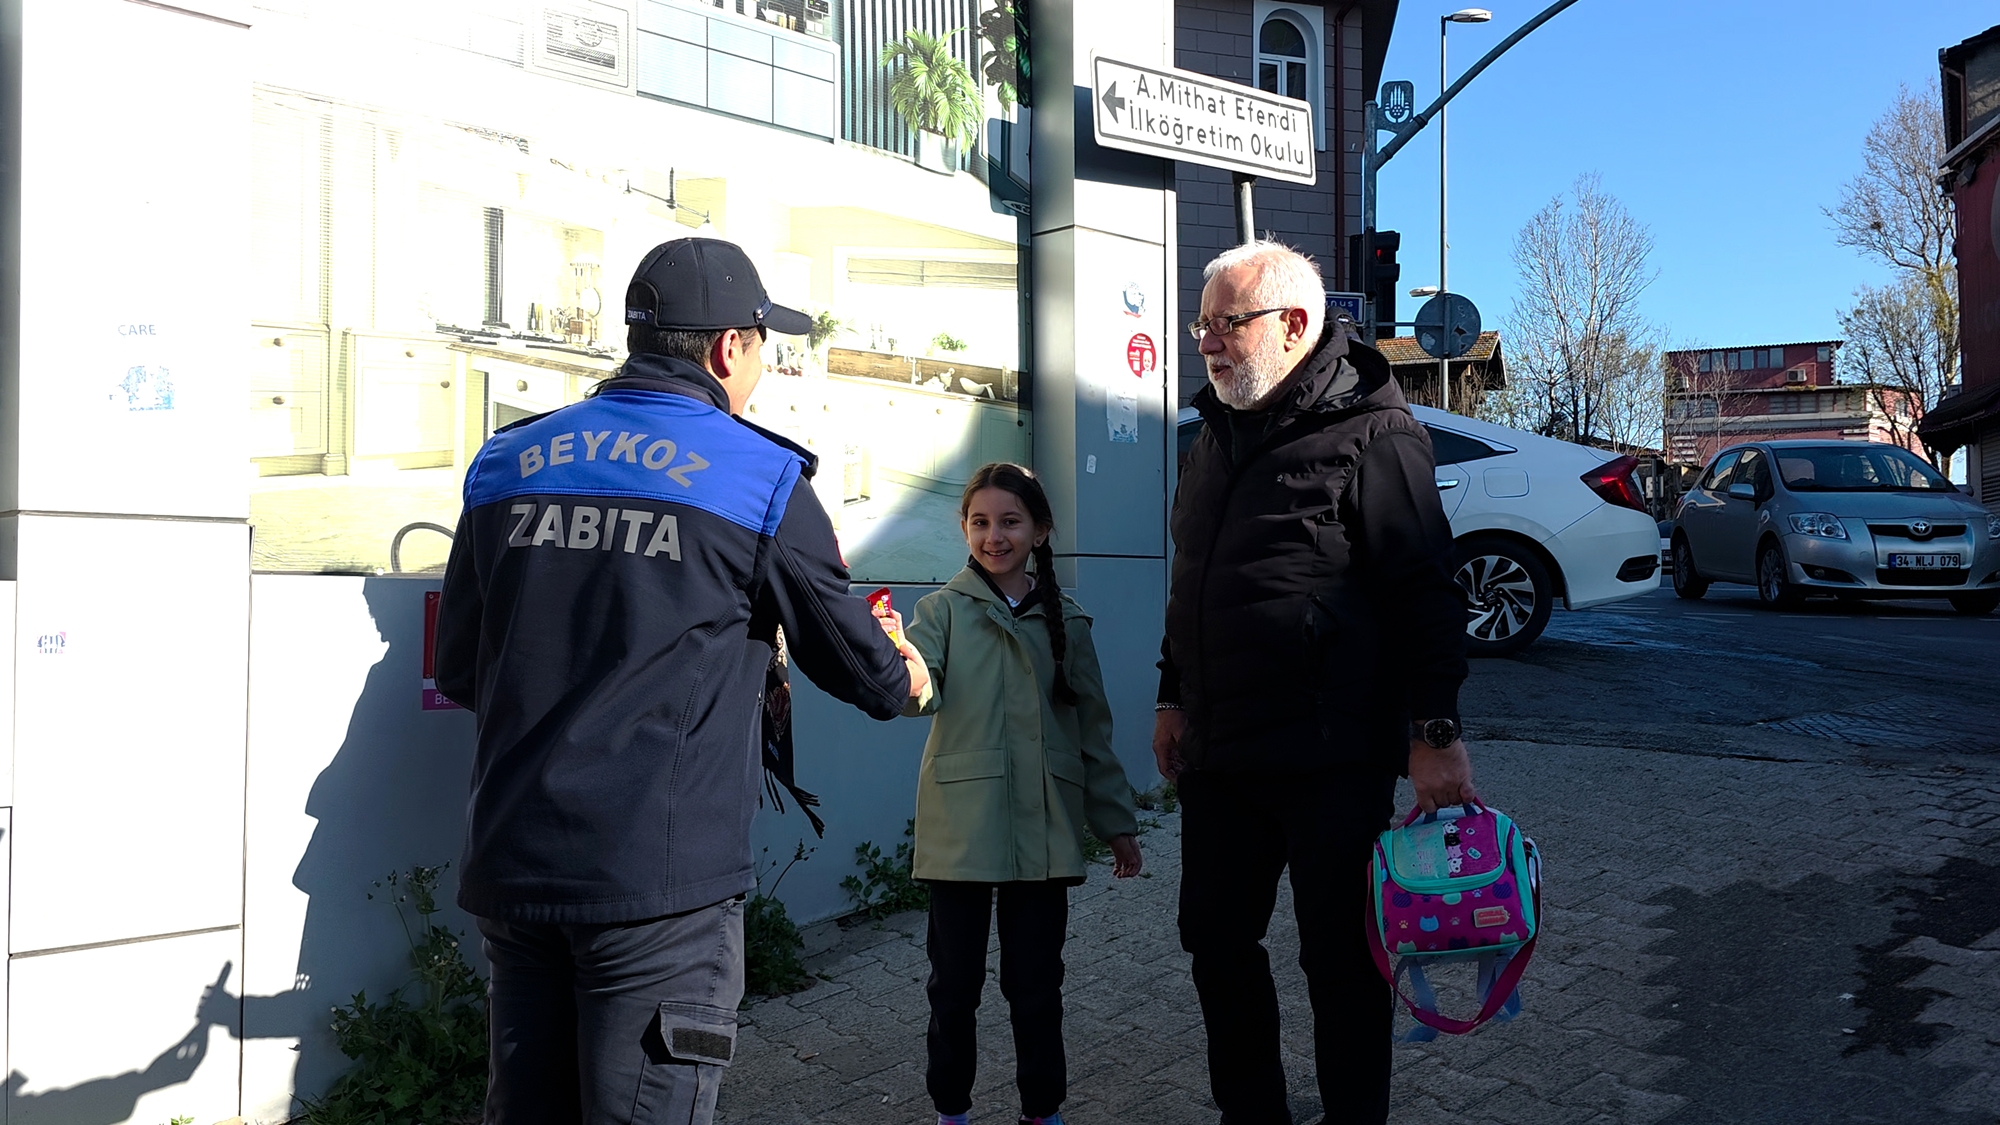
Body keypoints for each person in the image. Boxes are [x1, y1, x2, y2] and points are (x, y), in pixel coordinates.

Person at [433, 236, 929, 1125]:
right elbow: (869, 675)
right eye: (763, 346)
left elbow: (463, 668)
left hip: (515, 866)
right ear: (729, 347)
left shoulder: (507, 460)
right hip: (658, 893)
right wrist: (911, 673)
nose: (763, 368)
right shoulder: (760, 476)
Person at [1153, 241, 1474, 1125]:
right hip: (1222, 751)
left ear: (1293, 323)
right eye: (1201, 325)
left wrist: (1435, 734)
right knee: (1215, 943)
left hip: (1332, 755)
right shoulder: (1212, 437)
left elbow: (1425, 594)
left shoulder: (1377, 432)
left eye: (1225, 323)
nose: (1206, 343)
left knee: (1340, 959)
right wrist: (1171, 696)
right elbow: (1194, 581)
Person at [893, 462, 1143, 1125]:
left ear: (1040, 530)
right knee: (953, 987)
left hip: (1044, 829)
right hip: (961, 831)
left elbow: (1093, 731)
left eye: (1010, 521)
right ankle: (951, 1109)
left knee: (1036, 987)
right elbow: (921, 690)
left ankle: (1042, 1109)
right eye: (980, 522)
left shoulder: (1069, 621)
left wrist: (1116, 823)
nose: (994, 536)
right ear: (964, 529)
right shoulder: (939, 612)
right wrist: (902, 670)